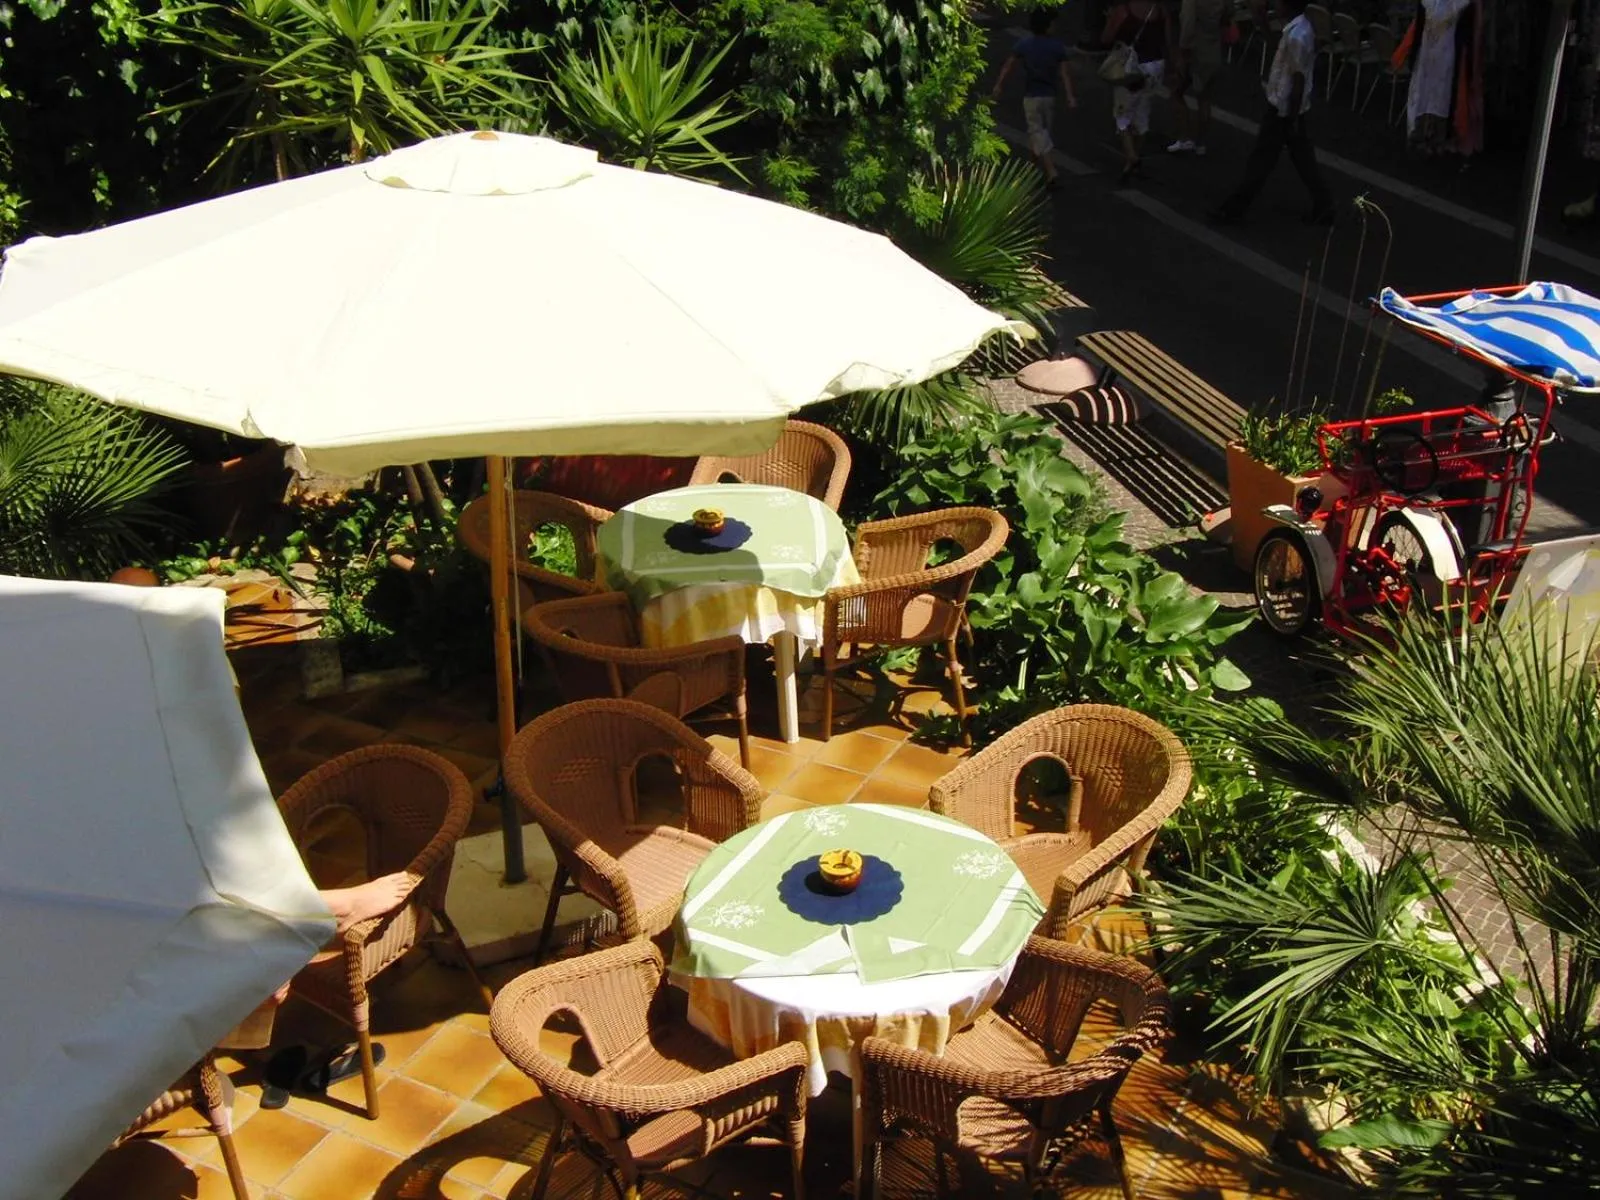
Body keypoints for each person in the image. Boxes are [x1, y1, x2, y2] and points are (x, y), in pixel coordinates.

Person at [1210, 0, 1333, 224]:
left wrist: (1291, 117)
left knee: (1261, 160)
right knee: (1301, 159)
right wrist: (1264, 27)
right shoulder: (1300, 30)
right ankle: (1324, 204)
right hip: (1291, 109)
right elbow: (1286, 55)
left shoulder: (1296, 35)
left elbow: (1297, 79)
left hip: (1283, 110)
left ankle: (1234, 208)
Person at [993, 9, 1078, 189]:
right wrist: (1070, 96)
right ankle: (1034, 169)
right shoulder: (1057, 47)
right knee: (1042, 133)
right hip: (1050, 97)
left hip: (1031, 96)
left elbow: (1009, 65)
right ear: (1048, 26)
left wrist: (999, 85)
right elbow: (1065, 74)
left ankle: (1049, 170)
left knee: (1037, 133)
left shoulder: (1025, 44)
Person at [1102, 0, 1173, 181]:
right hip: (1155, 67)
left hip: (1131, 68)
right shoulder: (1160, 10)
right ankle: (1134, 160)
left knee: (1122, 115)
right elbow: (1168, 42)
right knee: (1142, 114)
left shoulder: (1123, 11)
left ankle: (1131, 156)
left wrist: (1110, 19)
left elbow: (1106, 38)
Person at [1403, 0, 1476, 155]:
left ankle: (1436, 136)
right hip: (1427, 53)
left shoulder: (1459, 5)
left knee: (1441, 95)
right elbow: (1420, 26)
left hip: (1445, 55)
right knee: (1424, 92)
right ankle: (1421, 133)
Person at [1167, 0, 1229, 154]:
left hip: (1195, 49)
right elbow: (1228, 14)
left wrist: (1183, 50)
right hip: (1213, 48)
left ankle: (1184, 137)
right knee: (1205, 99)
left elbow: (1187, 22)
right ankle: (1200, 142)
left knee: (1176, 92)